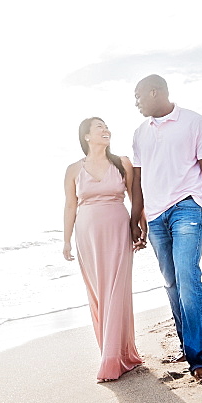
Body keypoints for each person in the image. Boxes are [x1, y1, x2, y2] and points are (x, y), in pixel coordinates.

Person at [129, 74, 202, 383]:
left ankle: (201, 358)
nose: (136, 103)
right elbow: (137, 181)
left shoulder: (193, 122)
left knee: (188, 278)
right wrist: (136, 218)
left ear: (154, 91)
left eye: (138, 97)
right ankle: (187, 347)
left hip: (188, 207)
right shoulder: (139, 133)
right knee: (172, 283)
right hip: (157, 216)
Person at [63, 117, 144, 382]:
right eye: (99, 126)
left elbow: (135, 199)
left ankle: (113, 358)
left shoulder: (122, 163)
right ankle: (111, 352)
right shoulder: (74, 169)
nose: (105, 129)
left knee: (116, 291)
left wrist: (141, 227)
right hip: (87, 235)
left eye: (106, 126)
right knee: (99, 293)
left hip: (118, 230)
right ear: (86, 136)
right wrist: (66, 240)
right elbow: (70, 206)